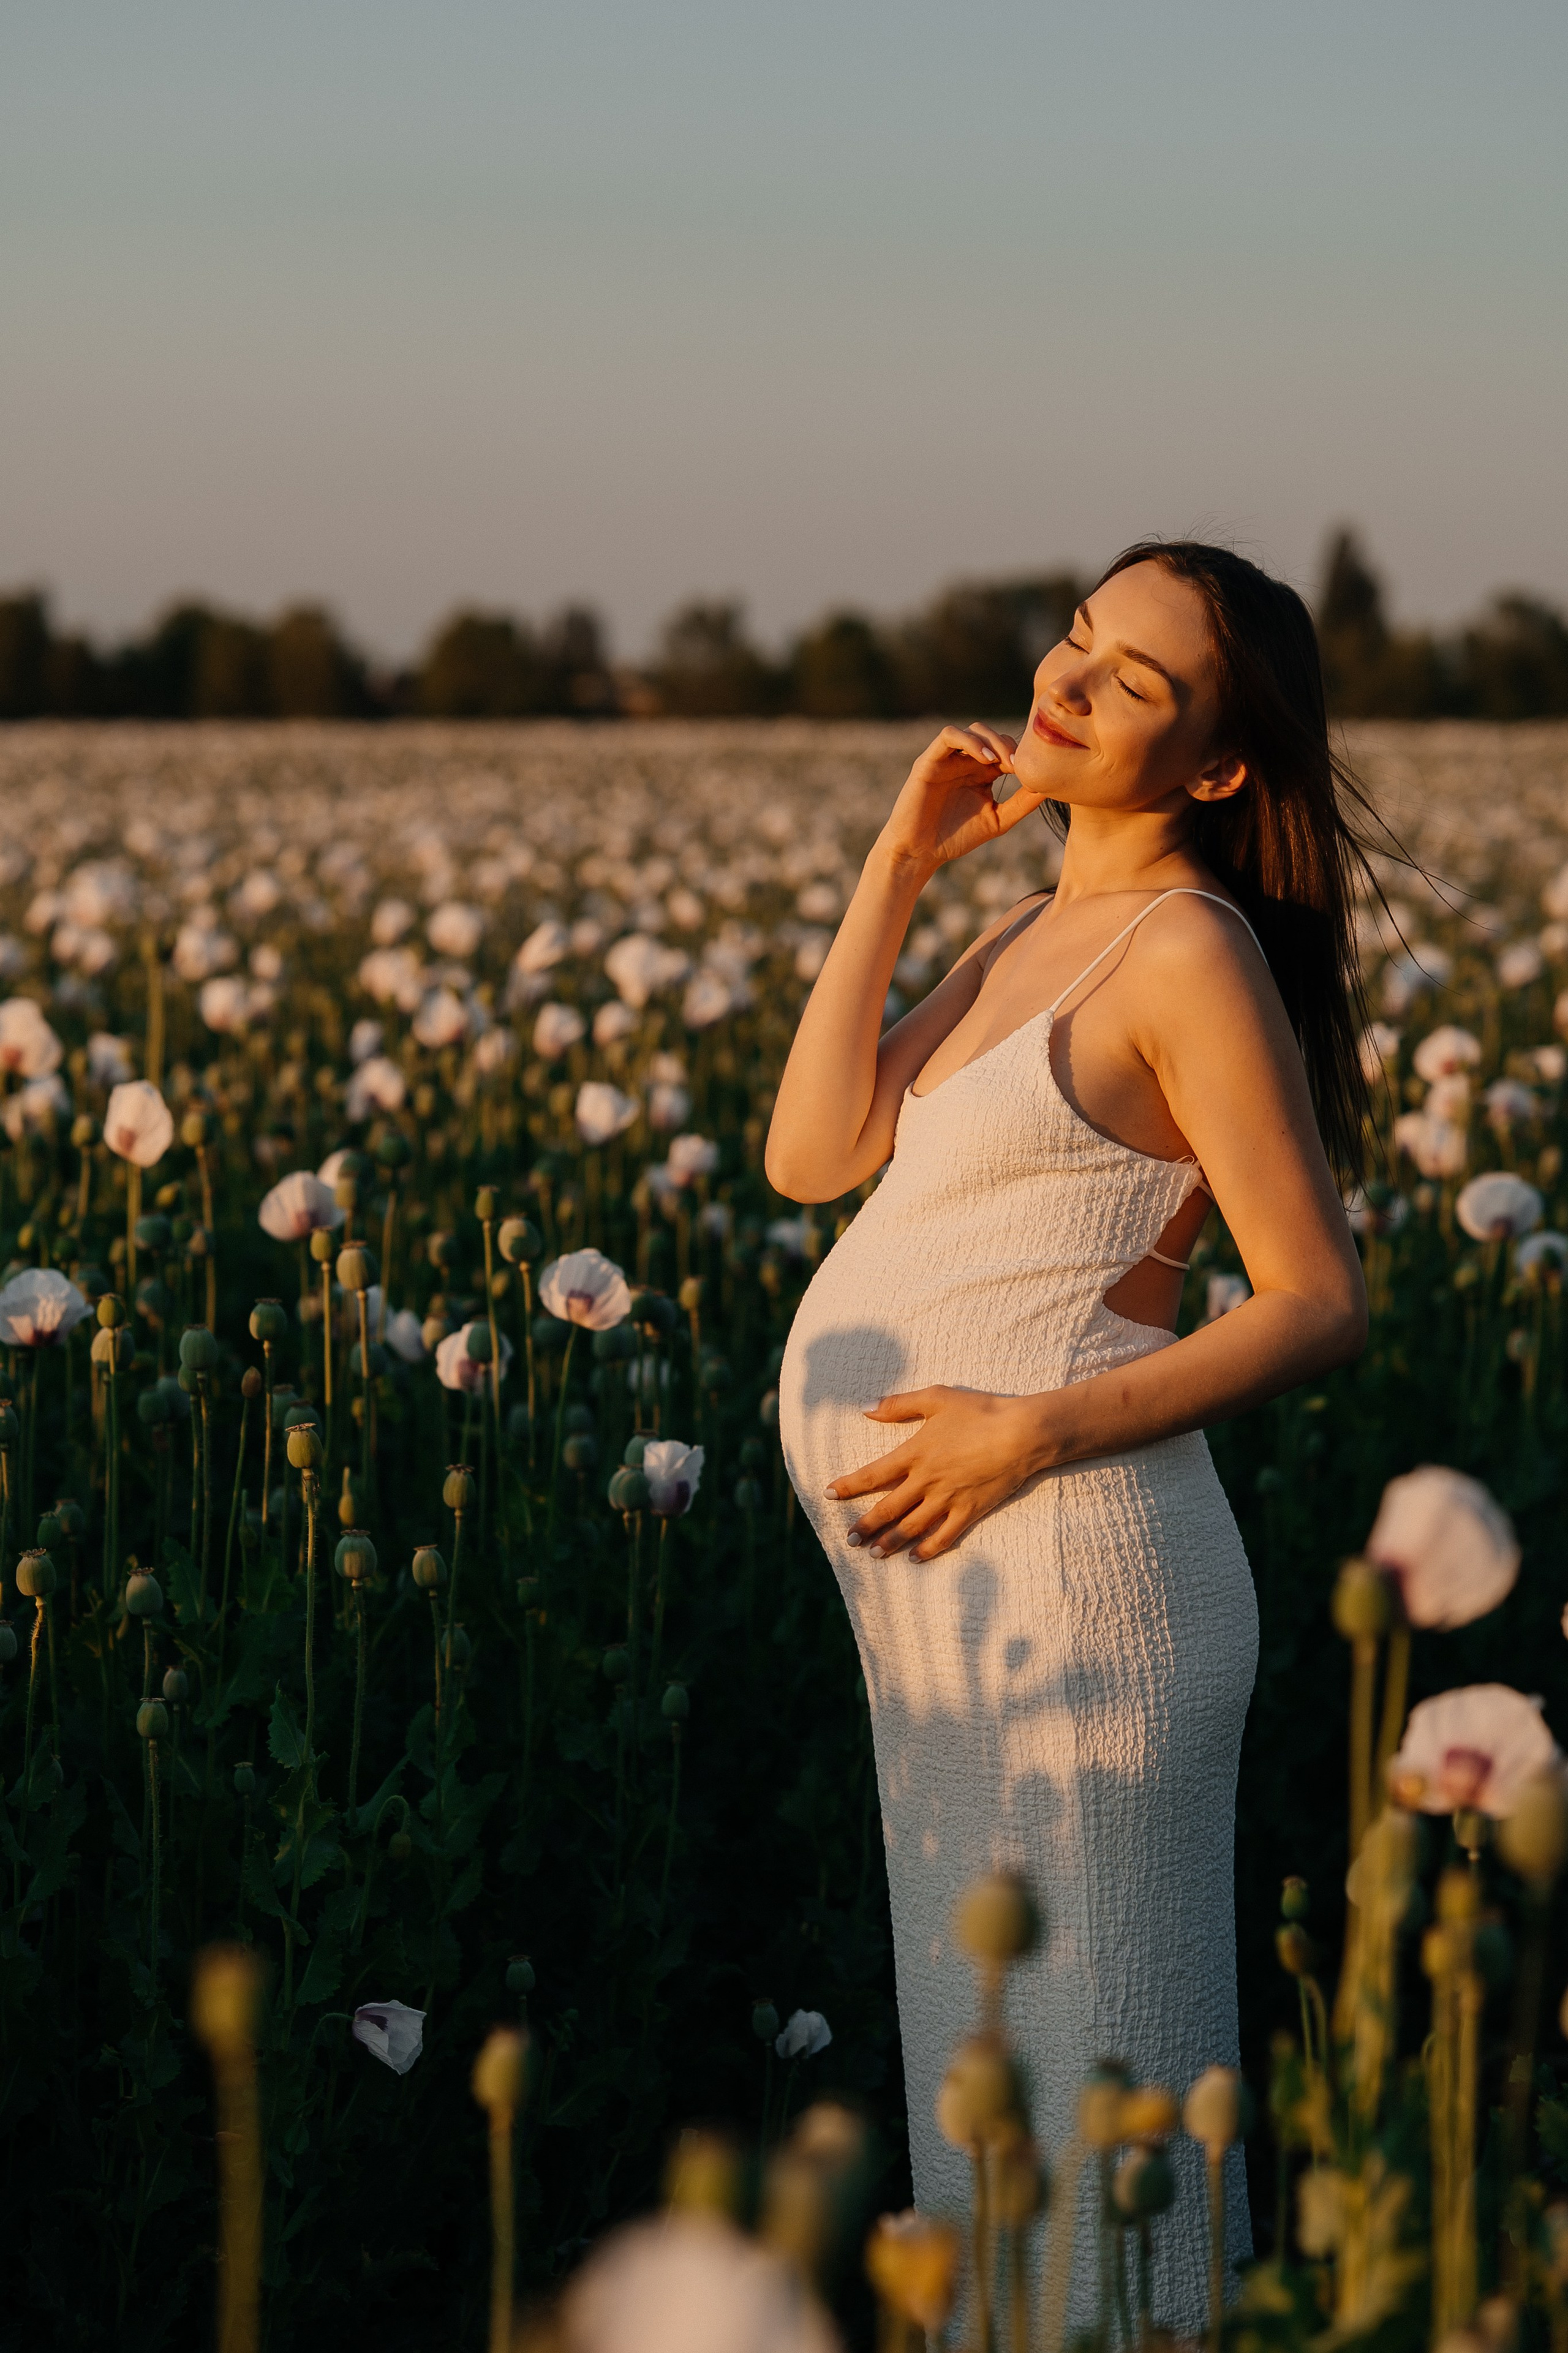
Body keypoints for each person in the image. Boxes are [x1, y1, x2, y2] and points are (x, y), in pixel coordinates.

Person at [767, 541, 1370, 2330]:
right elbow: (814, 1152)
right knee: (995, 2149)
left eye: (1134, 680)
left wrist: (1028, 1435)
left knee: (1111, 2154)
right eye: (1081, 640)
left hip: (1087, 1594)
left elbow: (1317, 1298)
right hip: (956, 1627)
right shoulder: (1023, 927)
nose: (1071, 679)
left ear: (1217, 767)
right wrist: (902, 857)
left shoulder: (1186, 947)